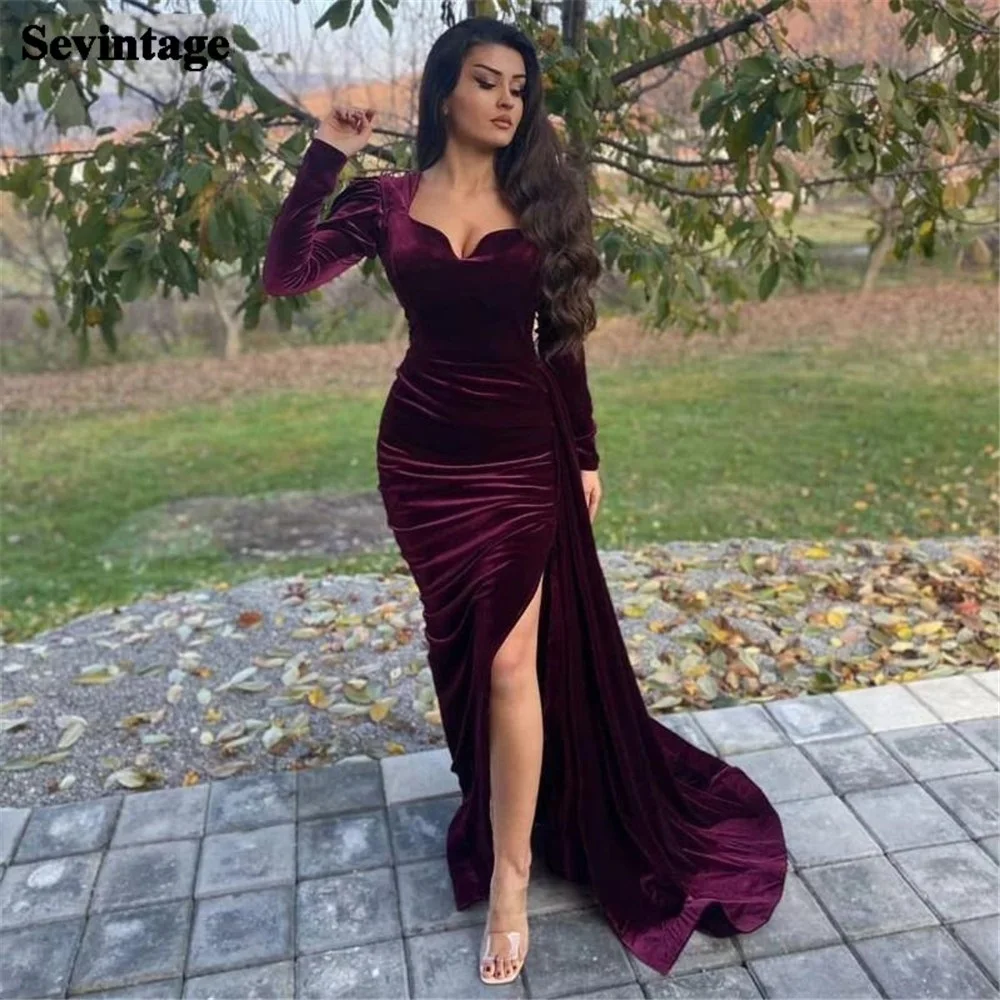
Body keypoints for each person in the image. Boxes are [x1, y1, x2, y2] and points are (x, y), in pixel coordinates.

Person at [263, 16, 788, 987]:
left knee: (510, 658)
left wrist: (582, 451)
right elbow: (285, 272)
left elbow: (563, 339)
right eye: (486, 81)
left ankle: (509, 880)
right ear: (443, 92)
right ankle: (502, 798)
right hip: (421, 461)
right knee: (464, 651)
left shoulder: (543, 201)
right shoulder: (386, 200)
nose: (507, 101)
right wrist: (325, 154)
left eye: (518, 87)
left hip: (519, 458)